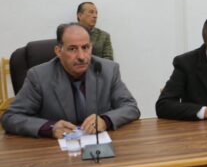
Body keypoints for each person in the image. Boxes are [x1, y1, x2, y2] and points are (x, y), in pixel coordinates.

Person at [1, 23, 140, 138]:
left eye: (85, 47)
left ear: (91, 47)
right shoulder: (38, 76)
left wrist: (106, 120)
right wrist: (50, 128)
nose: (81, 56)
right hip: (54, 152)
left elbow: (131, 107)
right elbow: (10, 117)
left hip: (99, 148)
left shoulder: (108, 70)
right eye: (72, 49)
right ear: (58, 51)